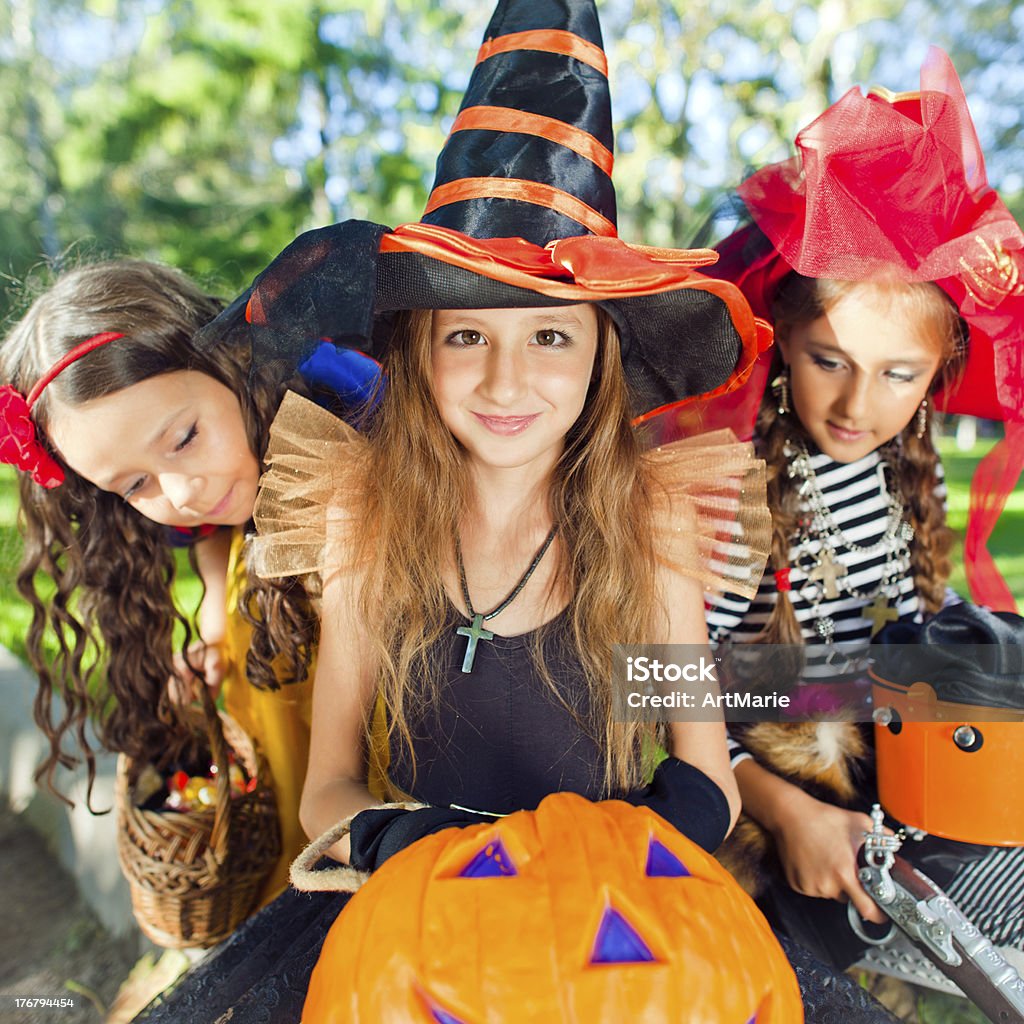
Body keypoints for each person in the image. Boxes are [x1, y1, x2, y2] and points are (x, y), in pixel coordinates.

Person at [695, 48, 1024, 967]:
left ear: (938, 378)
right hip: (774, 822)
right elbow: (659, 689)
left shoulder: (910, 474)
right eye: (826, 360)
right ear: (782, 340)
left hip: (907, 788)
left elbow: (907, 640)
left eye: (896, 375)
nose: (853, 406)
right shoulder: (732, 492)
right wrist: (786, 805)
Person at [0, 258, 380, 905]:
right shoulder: (222, 534)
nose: (181, 492)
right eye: (135, 486)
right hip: (299, 765)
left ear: (227, 360)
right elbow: (203, 539)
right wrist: (213, 634)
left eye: (184, 438)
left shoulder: (333, 417)